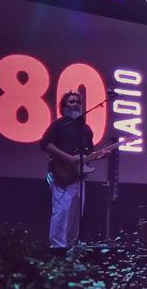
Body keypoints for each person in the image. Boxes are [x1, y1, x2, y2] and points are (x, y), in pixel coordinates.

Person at [40, 90, 94, 249]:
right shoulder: (59, 125)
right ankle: (57, 247)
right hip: (61, 174)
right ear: (63, 107)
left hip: (78, 176)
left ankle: (71, 245)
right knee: (62, 211)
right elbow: (46, 144)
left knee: (76, 214)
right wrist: (68, 158)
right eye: (71, 102)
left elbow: (88, 153)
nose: (75, 104)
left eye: (77, 102)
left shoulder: (85, 129)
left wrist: (100, 155)